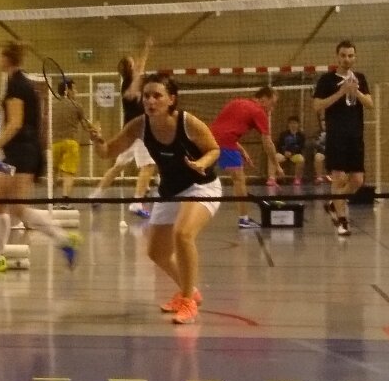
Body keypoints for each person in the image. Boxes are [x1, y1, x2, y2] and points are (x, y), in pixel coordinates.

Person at [88, 75, 222, 325]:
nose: (150, 101)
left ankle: (188, 302)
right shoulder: (139, 125)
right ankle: (191, 291)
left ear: (171, 99)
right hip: (169, 190)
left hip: (201, 185)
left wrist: (201, 163)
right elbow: (107, 152)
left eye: (157, 95)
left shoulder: (187, 122)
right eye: (147, 96)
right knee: (157, 253)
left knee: (183, 234)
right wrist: (97, 140)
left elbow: (214, 149)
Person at [0, 42, 80, 271]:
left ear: (7, 58)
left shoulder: (16, 86)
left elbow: (15, 123)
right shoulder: (20, 83)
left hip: (21, 153)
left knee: (15, 208)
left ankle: (62, 239)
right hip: (22, 151)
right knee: (1, 203)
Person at [311, 40, 372, 236]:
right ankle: (342, 221)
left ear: (355, 57)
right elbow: (317, 106)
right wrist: (341, 92)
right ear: (337, 57)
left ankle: (333, 203)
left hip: (355, 136)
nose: (347, 59)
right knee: (338, 179)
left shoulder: (360, 78)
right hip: (336, 136)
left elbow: (370, 104)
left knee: (357, 180)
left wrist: (356, 91)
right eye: (343, 55)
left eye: (350, 56)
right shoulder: (326, 80)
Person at [89, 41, 156, 218]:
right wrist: (146, 48)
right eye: (133, 62)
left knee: (118, 166)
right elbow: (140, 70)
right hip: (139, 133)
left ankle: (96, 195)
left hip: (129, 134)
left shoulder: (133, 84)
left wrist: (146, 50)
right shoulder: (129, 87)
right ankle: (137, 202)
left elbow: (141, 68)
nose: (136, 64)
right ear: (130, 68)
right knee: (148, 165)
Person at [209, 85, 279, 229]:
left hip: (209, 140)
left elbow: (222, 129)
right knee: (239, 180)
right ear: (263, 99)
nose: (272, 109)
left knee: (197, 176)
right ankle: (244, 220)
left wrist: (241, 150)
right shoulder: (259, 112)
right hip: (226, 144)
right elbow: (267, 143)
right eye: (272, 104)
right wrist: (277, 165)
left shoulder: (236, 102)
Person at [277, 116, 307, 184]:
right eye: (291, 123)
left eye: (295, 123)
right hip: (283, 154)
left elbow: (301, 147)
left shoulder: (301, 135)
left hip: (295, 155)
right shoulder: (283, 134)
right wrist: (284, 152)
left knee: (301, 159)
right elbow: (279, 146)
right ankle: (273, 178)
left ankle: (297, 179)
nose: (293, 125)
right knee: (274, 158)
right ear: (288, 124)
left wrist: (292, 153)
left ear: (298, 124)